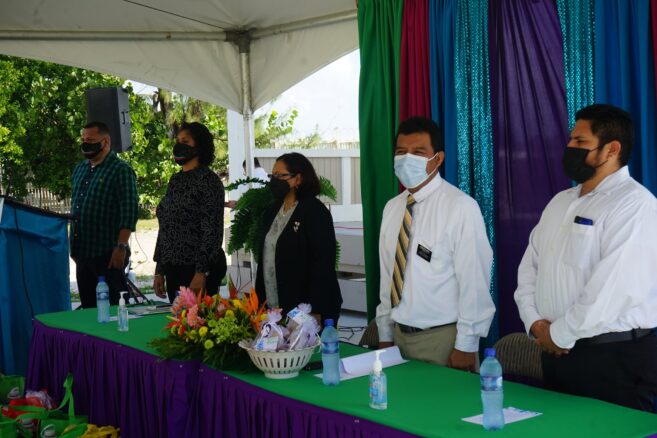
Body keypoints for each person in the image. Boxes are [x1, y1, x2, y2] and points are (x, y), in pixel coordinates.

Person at [514, 104, 657, 412]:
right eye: (571, 139)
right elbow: (530, 268)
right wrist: (535, 323)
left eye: (580, 142)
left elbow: (613, 289)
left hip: (614, 358)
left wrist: (559, 334)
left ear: (612, 149)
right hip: (556, 353)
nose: (570, 147)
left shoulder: (636, 205)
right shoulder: (560, 202)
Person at [375, 116, 495, 371]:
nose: (407, 159)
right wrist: (385, 333)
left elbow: (474, 283)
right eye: (400, 152)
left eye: (418, 152)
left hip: (444, 340)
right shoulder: (392, 208)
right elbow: (387, 277)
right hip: (398, 338)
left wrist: (466, 345)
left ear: (438, 159)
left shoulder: (460, 207)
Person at [255, 152, 342, 324]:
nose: (275, 180)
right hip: (273, 306)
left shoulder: (315, 211)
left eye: (281, 176)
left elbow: (323, 263)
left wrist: (316, 308)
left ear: (298, 179)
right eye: (273, 175)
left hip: (306, 308)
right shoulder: (272, 211)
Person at [153, 122, 227, 302]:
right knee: (176, 318)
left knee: (197, 319)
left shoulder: (209, 181)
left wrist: (201, 272)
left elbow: (212, 230)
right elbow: (166, 226)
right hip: (173, 268)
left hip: (197, 269)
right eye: (178, 141)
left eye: (185, 141)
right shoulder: (175, 180)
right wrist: (159, 270)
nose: (179, 146)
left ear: (199, 146)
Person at [70, 121, 138, 308]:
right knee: (89, 309)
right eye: (83, 140)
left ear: (105, 141)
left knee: (114, 308)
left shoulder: (121, 170)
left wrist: (121, 246)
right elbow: (76, 208)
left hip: (108, 254)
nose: (85, 144)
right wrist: (74, 248)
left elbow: (129, 211)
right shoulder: (80, 169)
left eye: (91, 140)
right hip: (83, 253)